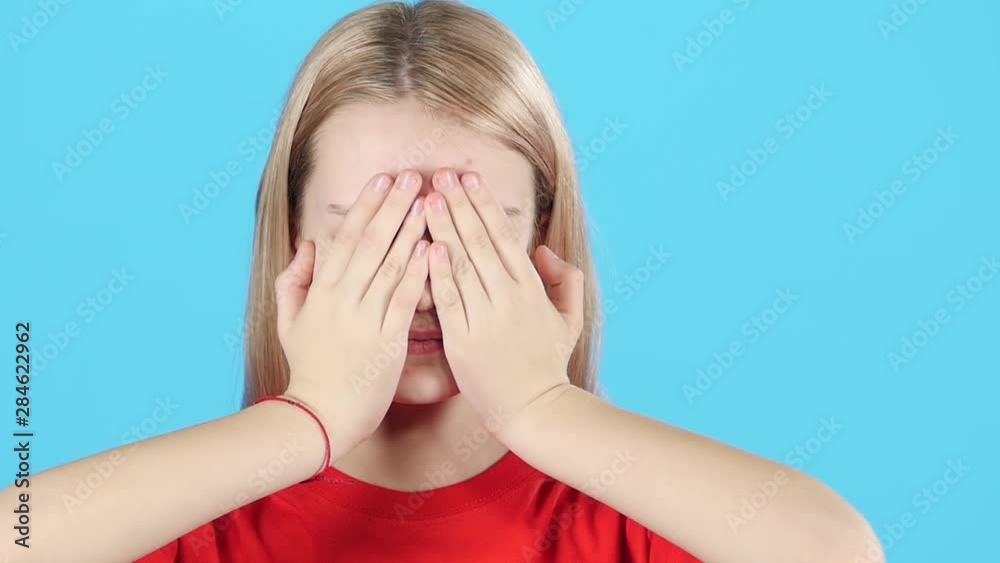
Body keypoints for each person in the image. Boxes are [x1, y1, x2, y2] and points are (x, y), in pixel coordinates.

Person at [2, 2, 883, 562]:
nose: (423, 278)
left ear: (544, 240)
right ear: (293, 241)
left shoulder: (633, 523)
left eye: (471, 229)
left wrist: (541, 404)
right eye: (372, 228)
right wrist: (306, 419)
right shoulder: (198, 526)